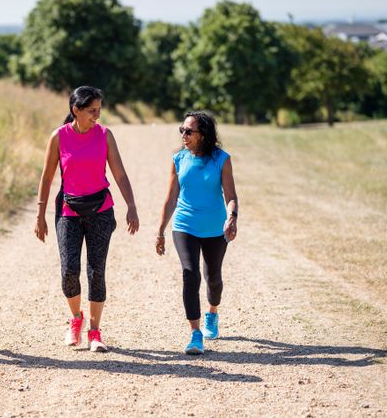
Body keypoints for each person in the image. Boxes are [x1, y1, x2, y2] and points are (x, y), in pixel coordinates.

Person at [35, 86, 139, 352]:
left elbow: (120, 173)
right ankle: (76, 319)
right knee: (69, 270)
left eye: (99, 110)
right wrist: (40, 214)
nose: (97, 115)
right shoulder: (58, 137)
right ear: (76, 110)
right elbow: (47, 178)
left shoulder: (105, 135)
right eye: (92, 110)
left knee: (96, 270)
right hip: (68, 212)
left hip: (101, 211)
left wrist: (131, 205)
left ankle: (94, 331)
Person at [155, 111, 238, 355]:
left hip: (215, 227)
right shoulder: (178, 158)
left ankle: (212, 312)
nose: (184, 135)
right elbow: (171, 198)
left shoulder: (222, 159)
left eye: (189, 131)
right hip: (185, 225)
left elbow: (231, 196)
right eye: (182, 130)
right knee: (190, 274)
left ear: (203, 135)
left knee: (213, 277)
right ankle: (195, 333)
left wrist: (232, 218)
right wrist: (160, 230)